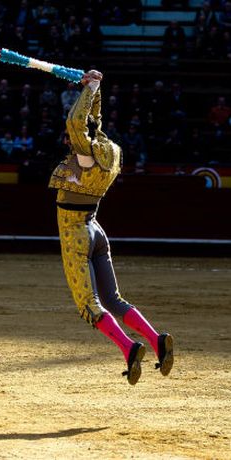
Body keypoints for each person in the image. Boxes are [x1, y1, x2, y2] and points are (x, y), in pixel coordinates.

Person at [48, 69, 174, 386]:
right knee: (114, 299)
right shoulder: (109, 151)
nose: (67, 141)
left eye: (69, 139)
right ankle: (157, 340)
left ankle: (129, 347)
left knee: (90, 306)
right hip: (96, 230)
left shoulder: (84, 155)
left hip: (76, 235)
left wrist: (88, 88)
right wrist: (95, 89)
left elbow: (77, 123)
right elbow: (92, 122)